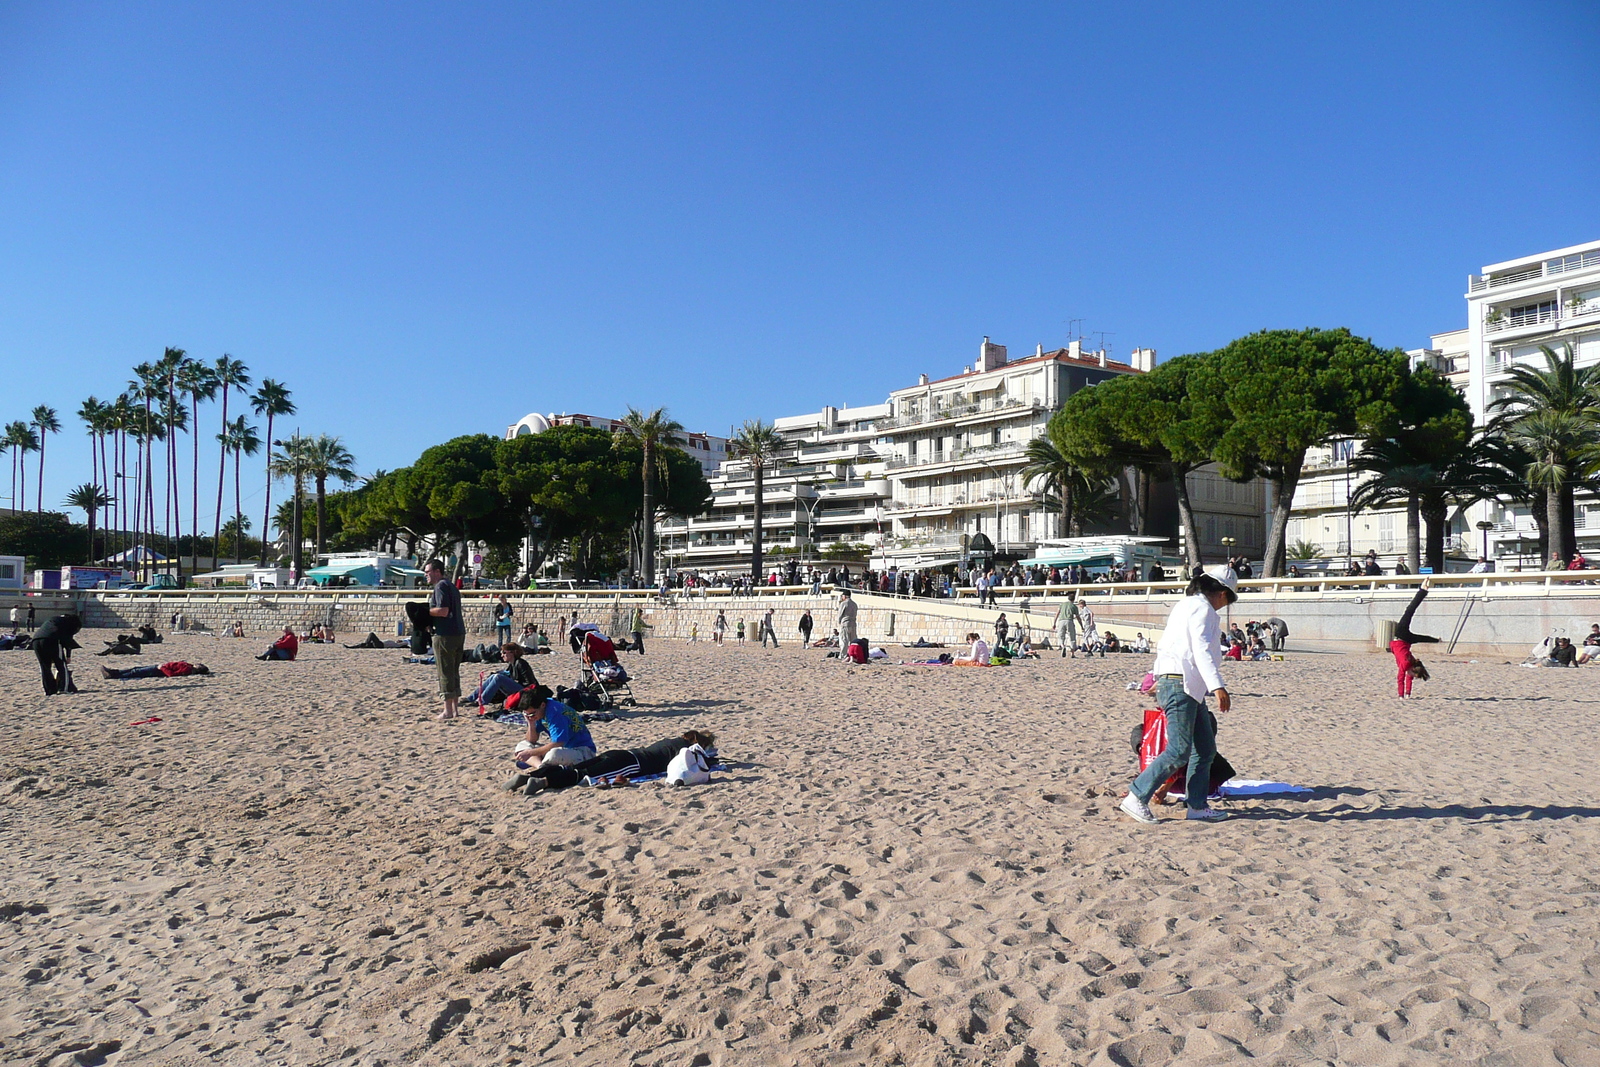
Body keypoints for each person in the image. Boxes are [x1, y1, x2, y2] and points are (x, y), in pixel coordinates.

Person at [1121, 564, 1237, 824]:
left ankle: (1196, 805)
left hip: (1184, 686)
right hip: (1181, 684)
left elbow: (1172, 645)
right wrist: (1218, 686)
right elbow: (1201, 648)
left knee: (1204, 749)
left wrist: (1158, 676)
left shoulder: (1186, 605)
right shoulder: (1202, 608)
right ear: (1222, 594)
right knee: (1179, 750)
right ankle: (1136, 796)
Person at [510, 730, 717, 795]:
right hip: (633, 763)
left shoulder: (670, 742)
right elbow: (698, 764)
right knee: (583, 775)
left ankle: (528, 776)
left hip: (622, 753)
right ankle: (543, 782)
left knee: (576, 767)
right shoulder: (685, 751)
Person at [510, 686, 597, 778]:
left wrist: (531, 753)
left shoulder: (555, 712)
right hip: (563, 749)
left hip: (583, 751)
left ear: (542, 705)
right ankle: (541, 767)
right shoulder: (538, 712)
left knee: (554, 754)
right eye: (526, 714)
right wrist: (530, 723)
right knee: (522, 745)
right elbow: (531, 740)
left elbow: (558, 743)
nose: (530, 716)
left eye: (532, 714)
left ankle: (539, 764)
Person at [426, 558, 466, 720]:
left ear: (437, 572)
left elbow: (443, 610)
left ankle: (448, 711)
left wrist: (425, 611)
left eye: (428, 572)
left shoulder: (440, 586)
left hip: (445, 634)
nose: (426, 575)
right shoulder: (452, 586)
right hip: (458, 632)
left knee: (445, 671)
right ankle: (455, 710)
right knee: (454, 671)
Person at [1390, 578, 1438, 698]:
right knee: (1409, 611)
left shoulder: (1412, 662)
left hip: (1405, 641)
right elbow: (1400, 678)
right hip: (1401, 636)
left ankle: (1436, 640)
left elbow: (1408, 677)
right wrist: (1401, 695)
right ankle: (1423, 590)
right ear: (1413, 669)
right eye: (1413, 675)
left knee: (1411, 615)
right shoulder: (1407, 664)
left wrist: (1408, 694)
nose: (1411, 676)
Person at [464, 641, 539, 708]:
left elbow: (530, 683)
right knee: (494, 676)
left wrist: (515, 681)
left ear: (512, 652)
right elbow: (508, 674)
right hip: (519, 689)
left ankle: (481, 701)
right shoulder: (512, 664)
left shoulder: (521, 663)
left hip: (526, 691)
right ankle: (471, 698)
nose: (502, 655)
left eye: (504, 653)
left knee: (498, 678)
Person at [33, 613, 82, 695]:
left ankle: (50, 690)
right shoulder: (70, 623)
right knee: (61, 665)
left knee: (45, 667)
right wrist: (68, 656)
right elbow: (68, 641)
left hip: (36, 640)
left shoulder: (54, 618)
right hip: (51, 640)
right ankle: (64, 688)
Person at [102, 661, 210, 680]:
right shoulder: (189, 666)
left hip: (158, 670)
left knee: (136, 672)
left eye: (200, 665)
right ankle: (114, 672)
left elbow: (171, 674)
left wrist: (161, 667)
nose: (198, 663)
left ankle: (113, 675)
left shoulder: (186, 669)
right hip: (159, 667)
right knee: (135, 669)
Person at [837, 589, 858, 665]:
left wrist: (839, 621)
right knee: (853, 640)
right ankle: (854, 654)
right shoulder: (854, 604)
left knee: (844, 640)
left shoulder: (844, 603)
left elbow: (840, 614)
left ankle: (843, 655)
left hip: (845, 623)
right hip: (853, 623)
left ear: (845, 596)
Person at [1055, 594, 1080, 658]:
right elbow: (1078, 617)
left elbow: (1057, 614)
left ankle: (1063, 646)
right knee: (1072, 637)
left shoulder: (1062, 604)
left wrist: (1054, 623)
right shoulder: (1074, 606)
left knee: (1061, 636)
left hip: (1061, 621)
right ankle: (1072, 653)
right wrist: (1081, 625)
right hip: (1069, 621)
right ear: (1074, 599)